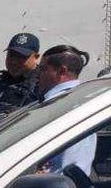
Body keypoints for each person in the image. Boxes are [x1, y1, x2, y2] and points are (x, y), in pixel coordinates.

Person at [38, 44, 94, 174]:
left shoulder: (65, 105)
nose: (38, 74)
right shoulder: (76, 99)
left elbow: (66, 165)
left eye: (42, 69)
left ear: (61, 71)